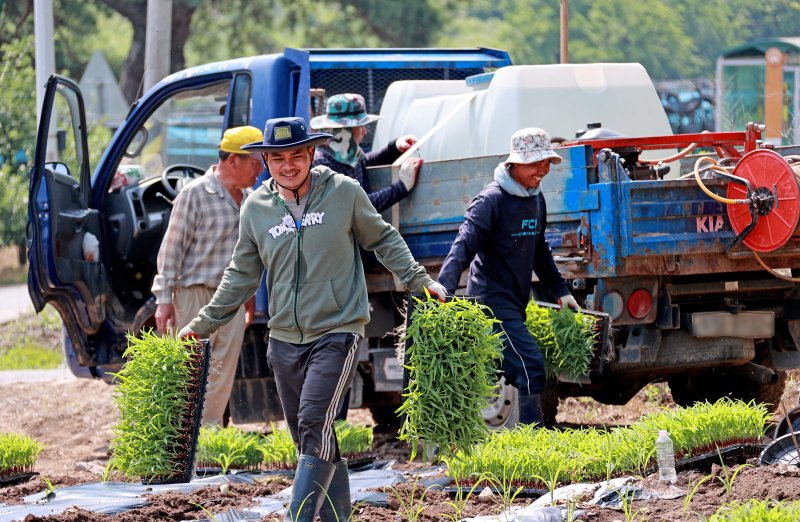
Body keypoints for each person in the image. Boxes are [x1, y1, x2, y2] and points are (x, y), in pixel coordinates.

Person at [178, 116, 446, 522]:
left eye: (296, 156)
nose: (288, 165)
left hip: (338, 329)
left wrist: (419, 280)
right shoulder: (256, 208)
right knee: (309, 435)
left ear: (310, 154)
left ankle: (298, 517)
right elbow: (240, 274)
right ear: (266, 161)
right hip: (284, 338)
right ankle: (338, 517)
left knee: (313, 421)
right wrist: (203, 323)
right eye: (278, 158)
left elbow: (383, 238)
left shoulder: (343, 192)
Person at [437, 127, 579, 427]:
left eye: (546, 164)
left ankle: (498, 436)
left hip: (516, 300)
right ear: (514, 163)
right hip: (490, 300)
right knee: (529, 367)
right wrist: (444, 288)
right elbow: (463, 246)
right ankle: (532, 439)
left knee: (501, 369)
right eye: (535, 163)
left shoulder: (535, 199)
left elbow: (539, 250)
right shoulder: (491, 201)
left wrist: (561, 291)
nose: (542, 171)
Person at [151, 125, 263, 427]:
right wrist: (164, 299)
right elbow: (172, 249)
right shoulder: (195, 194)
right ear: (233, 160)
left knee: (221, 373)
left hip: (231, 299)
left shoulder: (251, 200)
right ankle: (181, 438)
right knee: (189, 372)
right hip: (193, 296)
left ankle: (208, 436)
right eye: (256, 163)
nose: (260, 170)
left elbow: (249, 254)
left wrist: (249, 295)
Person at [310, 92, 422, 213]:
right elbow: (356, 207)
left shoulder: (347, 155)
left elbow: (364, 161)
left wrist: (395, 148)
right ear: (344, 130)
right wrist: (402, 186)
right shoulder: (321, 166)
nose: (364, 131)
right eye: (360, 126)